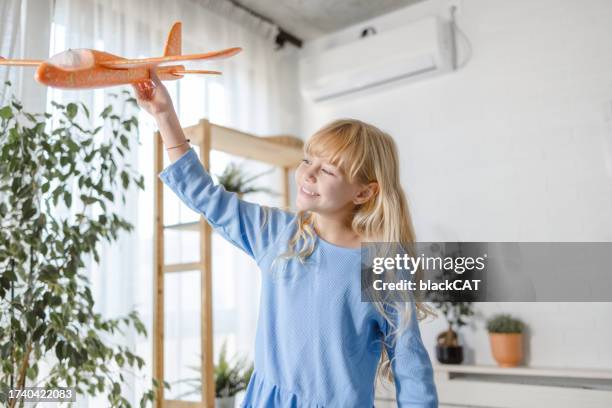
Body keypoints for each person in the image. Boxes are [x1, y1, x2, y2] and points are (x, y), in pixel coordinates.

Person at [133, 68, 439, 407]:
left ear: (364, 193)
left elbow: (411, 367)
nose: (307, 173)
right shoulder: (277, 234)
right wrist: (164, 115)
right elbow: (205, 196)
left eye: (326, 170)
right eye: (308, 160)